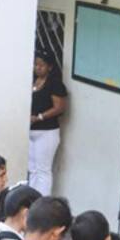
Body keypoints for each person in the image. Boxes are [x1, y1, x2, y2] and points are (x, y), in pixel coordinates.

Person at [28, 49, 68, 195]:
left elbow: (60, 107)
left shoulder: (55, 84)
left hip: (46, 132)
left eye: (41, 65)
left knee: (43, 170)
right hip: (30, 130)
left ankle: (43, 201)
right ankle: (31, 198)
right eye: (36, 64)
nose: (38, 68)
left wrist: (39, 117)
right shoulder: (31, 80)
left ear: (50, 67)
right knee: (32, 169)